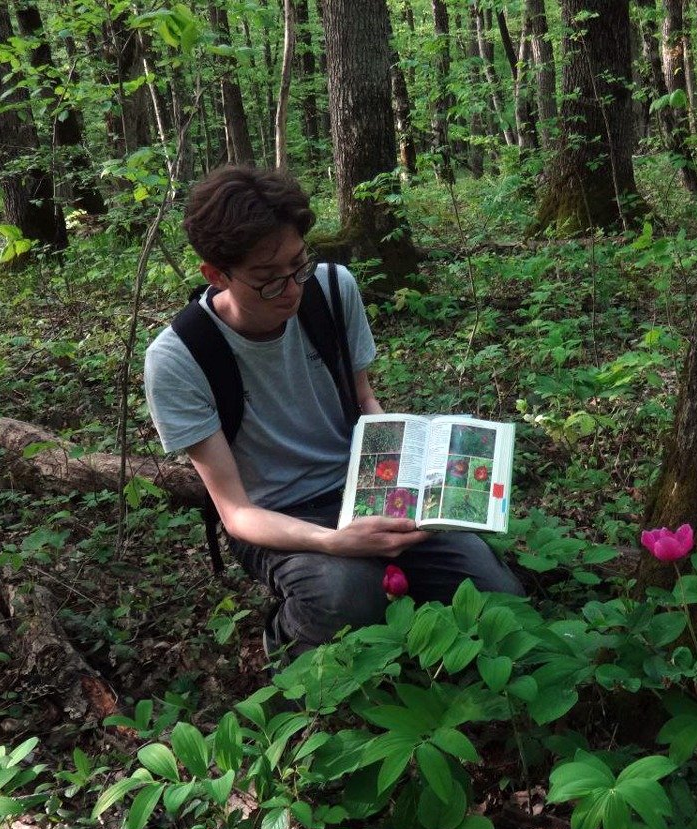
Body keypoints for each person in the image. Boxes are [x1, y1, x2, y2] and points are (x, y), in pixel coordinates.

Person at [144, 166, 522, 657]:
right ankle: (286, 641)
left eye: (299, 265)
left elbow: (365, 402)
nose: (292, 289)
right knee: (349, 595)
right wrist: (332, 541)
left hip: (365, 487)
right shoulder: (179, 358)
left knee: (498, 596)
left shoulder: (331, 290)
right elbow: (235, 511)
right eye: (267, 280)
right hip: (275, 516)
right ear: (216, 274)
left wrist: (407, 491)